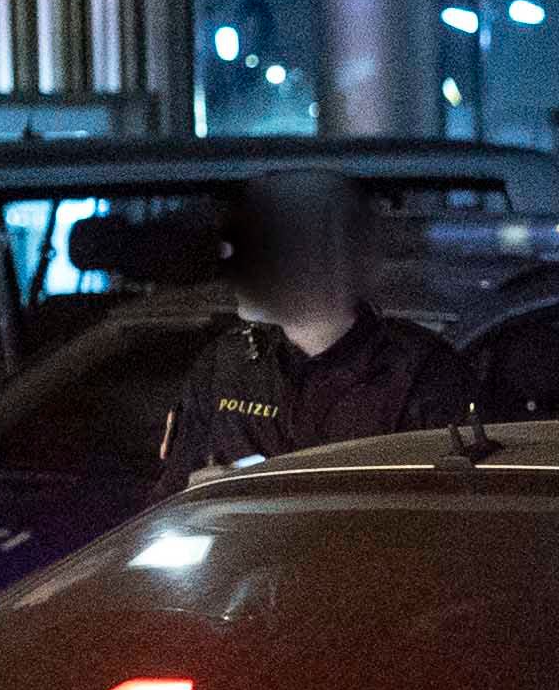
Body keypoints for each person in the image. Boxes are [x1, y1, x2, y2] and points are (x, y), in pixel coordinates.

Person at [149, 169, 474, 497]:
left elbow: (451, 518)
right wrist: (200, 498)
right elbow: (166, 504)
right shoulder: (225, 364)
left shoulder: (423, 376)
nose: (232, 265)